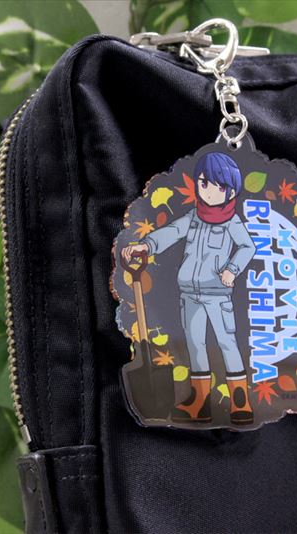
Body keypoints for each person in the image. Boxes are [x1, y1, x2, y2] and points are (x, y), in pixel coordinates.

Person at [122, 152, 256, 425]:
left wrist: (232, 269)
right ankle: (199, 401)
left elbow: (247, 246)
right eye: (204, 183)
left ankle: (240, 400)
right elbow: (172, 232)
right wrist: (146, 245)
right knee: (195, 345)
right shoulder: (195, 216)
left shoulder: (231, 222)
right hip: (189, 293)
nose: (209, 191)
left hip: (217, 294)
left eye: (218, 186)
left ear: (231, 192)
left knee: (227, 342)